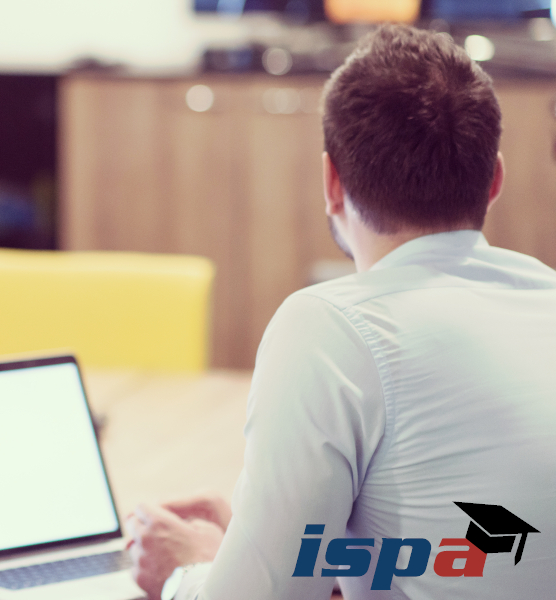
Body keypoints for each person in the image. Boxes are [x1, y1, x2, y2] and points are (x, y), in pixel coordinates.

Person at [125, 25, 556, 599]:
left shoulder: (331, 327)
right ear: (495, 178)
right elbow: (477, 558)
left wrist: (184, 573)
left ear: (331, 182)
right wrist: (272, 541)